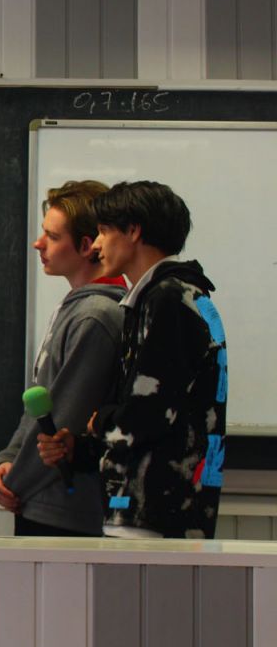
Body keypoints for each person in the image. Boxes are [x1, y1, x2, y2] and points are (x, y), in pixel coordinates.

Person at [39, 181, 227, 539]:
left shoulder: (169, 299)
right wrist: (82, 448)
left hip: (155, 516)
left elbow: (149, 413)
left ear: (133, 231)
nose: (96, 245)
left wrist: (100, 422)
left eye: (103, 231)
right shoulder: (163, 297)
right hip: (151, 510)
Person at [0, 181, 124, 536]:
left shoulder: (95, 316)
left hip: (63, 510)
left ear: (86, 245)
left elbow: (65, 416)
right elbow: (39, 403)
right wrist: (9, 458)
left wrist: (16, 482)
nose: (39, 243)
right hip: (40, 498)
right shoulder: (75, 308)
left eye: (52, 236)